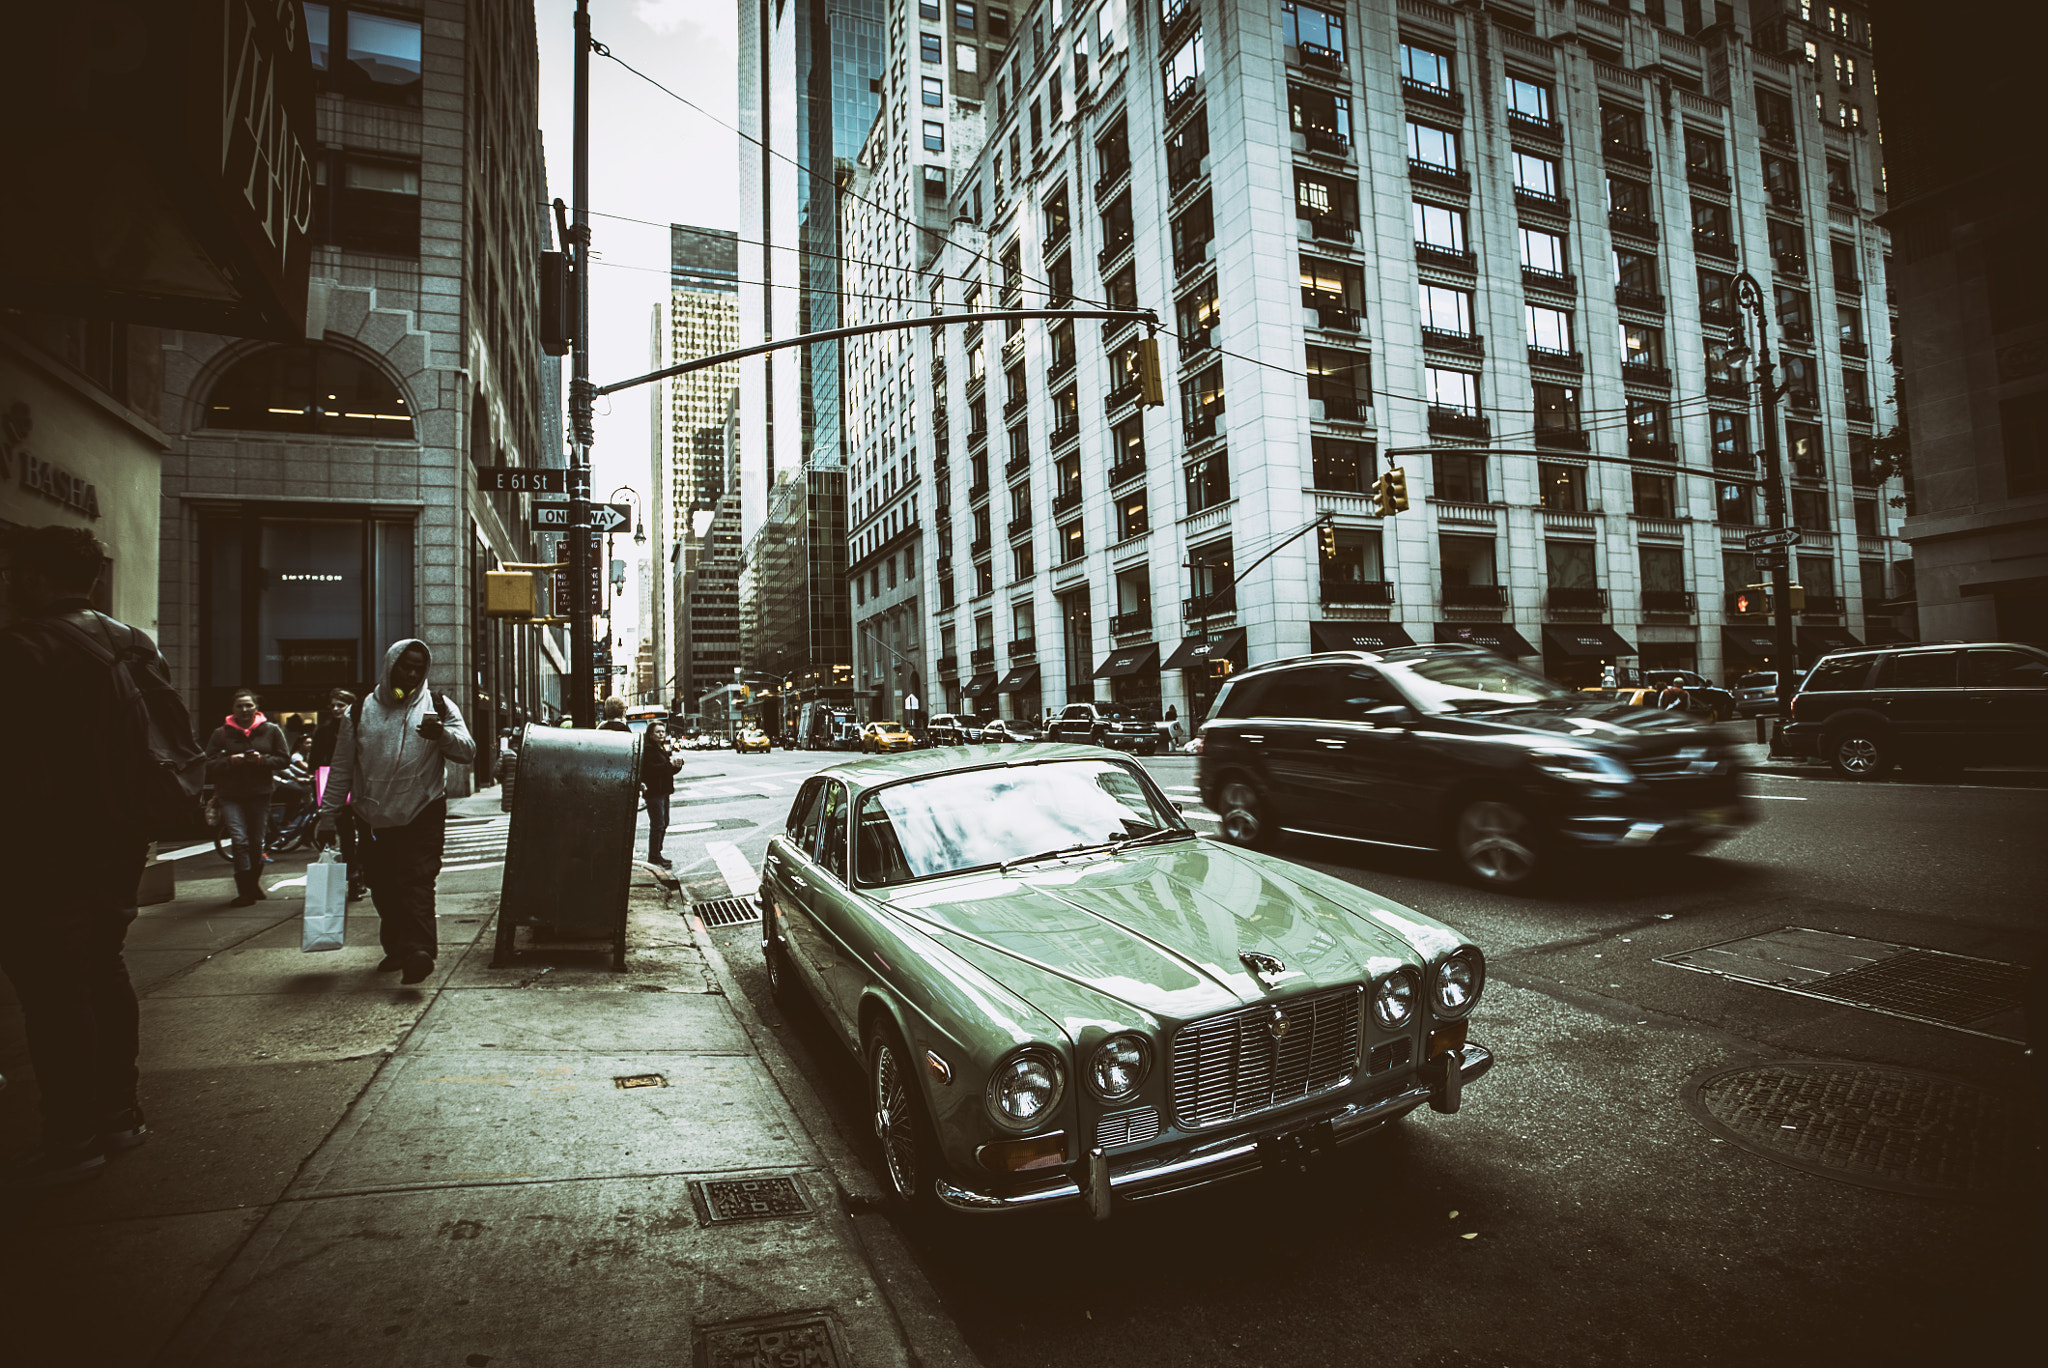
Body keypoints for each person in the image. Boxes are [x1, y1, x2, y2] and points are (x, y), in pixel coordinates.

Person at [0, 525, 195, 1187]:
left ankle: (73, 1131)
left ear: (32, 578)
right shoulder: (131, 644)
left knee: (53, 989)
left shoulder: (26, 648)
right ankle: (119, 1112)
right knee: (103, 966)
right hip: (119, 837)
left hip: (42, 843)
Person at [314, 640, 475, 984]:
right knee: (382, 884)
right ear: (390, 667)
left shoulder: (438, 706)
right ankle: (398, 948)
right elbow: (341, 768)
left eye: (419, 668)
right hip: (372, 816)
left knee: (417, 879)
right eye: (406, 667)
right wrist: (327, 817)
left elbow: (467, 751)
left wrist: (442, 735)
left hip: (423, 810)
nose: (413, 674)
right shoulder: (358, 712)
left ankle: (419, 951)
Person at [205, 689, 292, 905]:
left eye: (248, 705)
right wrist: (230, 761)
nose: (244, 710)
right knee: (239, 839)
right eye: (239, 706)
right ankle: (245, 890)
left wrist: (261, 760)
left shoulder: (271, 730)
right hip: (230, 794)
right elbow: (207, 764)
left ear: (256, 708)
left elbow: (284, 760)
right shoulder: (221, 733)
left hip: (260, 794)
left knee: (256, 841)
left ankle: (253, 883)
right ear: (232, 710)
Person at [307, 689, 368, 900]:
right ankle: (354, 877)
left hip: (361, 787)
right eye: (332, 705)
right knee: (346, 836)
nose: (335, 709)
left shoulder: (362, 727)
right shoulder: (323, 732)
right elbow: (314, 762)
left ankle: (360, 872)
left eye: (340, 705)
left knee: (365, 833)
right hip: (336, 787)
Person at [641, 719, 679, 869]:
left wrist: (676, 766)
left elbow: (665, 770)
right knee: (658, 825)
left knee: (663, 823)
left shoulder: (660, 748)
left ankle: (657, 854)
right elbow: (650, 770)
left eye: (663, 731)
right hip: (654, 792)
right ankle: (654, 857)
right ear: (650, 734)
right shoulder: (649, 749)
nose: (661, 734)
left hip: (663, 791)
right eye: (658, 732)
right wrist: (668, 764)